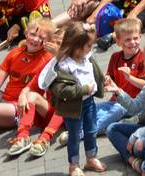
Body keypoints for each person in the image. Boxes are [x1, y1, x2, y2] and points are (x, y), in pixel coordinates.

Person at [0, 17, 61, 158]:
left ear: (48, 42)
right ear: (26, 33)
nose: (35, 39)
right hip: (6, 98)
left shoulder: (47, 58)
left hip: (20, 108)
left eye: (41, 38)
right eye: (33, 34)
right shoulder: (15, 53)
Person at [39, 21, 106, 176]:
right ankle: (73, 165)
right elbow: (61, 90)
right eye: (88, 45)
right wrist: (83, 89)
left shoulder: (85, 58)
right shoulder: (63, 66)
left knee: (91, 130)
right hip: (73, 108)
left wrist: (102, 80)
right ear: (76, 46)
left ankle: (91, 157)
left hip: (88, 103)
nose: (91, 49)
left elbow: (94, 72)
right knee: (74, 136)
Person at [94, 16, 145, 135]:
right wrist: (105, 80)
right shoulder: (115, 57)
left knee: (117, 110)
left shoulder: (144, 57)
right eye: (127, 40)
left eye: (135, 38)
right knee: (91, 109)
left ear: (140, 37)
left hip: (133, 104)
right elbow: (110, 79)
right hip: (114, 102)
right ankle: (106, 124)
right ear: (119, 42)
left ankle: (87, 133)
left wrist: (129, 78)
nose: (133, 42)